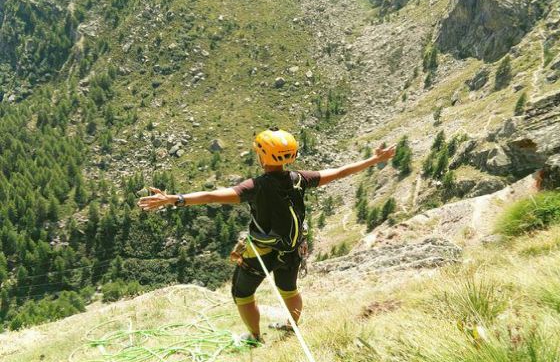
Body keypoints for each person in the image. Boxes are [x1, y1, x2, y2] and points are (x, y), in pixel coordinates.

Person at [138, 127, 395, 344]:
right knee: (289, 288)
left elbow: (211, 196)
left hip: (261, 251)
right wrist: (374, 160)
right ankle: (291, 326)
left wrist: (175, 199)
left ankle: (254, 337)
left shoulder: (255, 187)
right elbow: (339, 172)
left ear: (262, 155)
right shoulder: (300, 179)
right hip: (292, 248)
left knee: (242, 294)